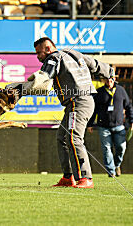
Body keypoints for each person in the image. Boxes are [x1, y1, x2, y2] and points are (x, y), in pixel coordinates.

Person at [32, 37, 111, 188]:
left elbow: (44, 77)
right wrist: (110, 72)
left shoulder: (53, 58)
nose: (37, 57)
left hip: (78, 102)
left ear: (48, 49)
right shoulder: (73, 53)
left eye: (39, 53)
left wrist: (24, 88)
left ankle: (85, 178)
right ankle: (68, 177)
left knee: (73, 138)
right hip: (80, 102)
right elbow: (95, 65)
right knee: (61, 138)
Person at [87, 70, 133, 177]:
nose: (109, 80)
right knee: (106, 149)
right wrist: (90, 124)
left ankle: (116, 165)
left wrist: (132, 121)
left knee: (121, 148)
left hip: (119, 126)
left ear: (114, 79)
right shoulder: (99, 92)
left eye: (111, 78)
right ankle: (111, 171)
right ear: (103, 80)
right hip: (103, 127)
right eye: (106, 78)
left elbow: (128, 106)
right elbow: (93, 110)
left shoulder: (121, 90)